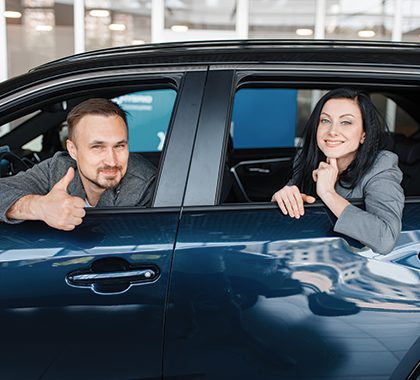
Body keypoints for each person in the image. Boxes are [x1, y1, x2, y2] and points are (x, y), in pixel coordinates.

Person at [272, 88, 404, 254]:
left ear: (364, 134)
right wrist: (280, 198)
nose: (332, 131)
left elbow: (386, 238)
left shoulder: (381, 166)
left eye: (346, 122)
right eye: (325, 121)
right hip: (304, 256)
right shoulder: (308, 158)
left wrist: (328, 193)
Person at [0, 98, 156, 231]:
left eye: (119, 146)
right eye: (98, 147)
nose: (112, 161)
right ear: (72, 150)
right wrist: (39, 207)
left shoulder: (145, 188)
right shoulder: (59, 168)